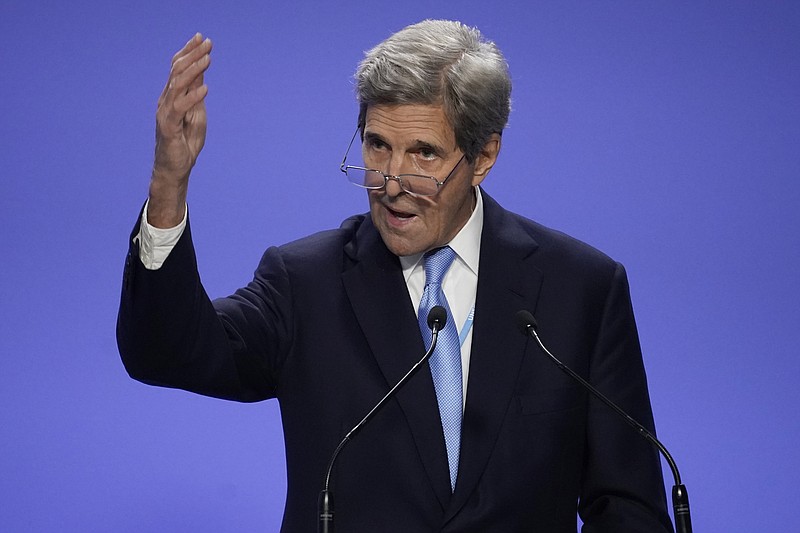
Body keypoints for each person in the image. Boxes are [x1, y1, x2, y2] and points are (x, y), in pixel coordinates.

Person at [117, 20, 673, 532]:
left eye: (424, 154)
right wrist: (169, 185)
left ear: (483, 157)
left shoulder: (580, 290)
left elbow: (627, 505)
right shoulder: (305, 284)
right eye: (378, 146)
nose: (390, 182)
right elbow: (165, 351)